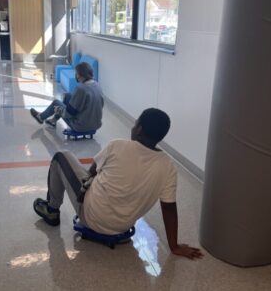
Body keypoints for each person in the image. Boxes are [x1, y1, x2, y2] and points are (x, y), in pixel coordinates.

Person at [33, 108, 203, 260]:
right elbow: (169, 208)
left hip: (91, 216)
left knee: (61, 156)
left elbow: (91, 173)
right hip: (122, 226)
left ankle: (52, 209)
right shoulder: (168, 167)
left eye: (135, 123)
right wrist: (174, 246)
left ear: (139, 129)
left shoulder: (117, 145)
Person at [30, 62, 103, 131]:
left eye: (76, 73)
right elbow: (100, 106)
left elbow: (69, 114)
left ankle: (40, 117)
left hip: (80, 125)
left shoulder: (81, 89)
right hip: (96, 124)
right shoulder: (97, 85)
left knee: (56, 102)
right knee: (68, 96)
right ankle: (53, 121)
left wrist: (57, 109)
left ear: (79, 75)